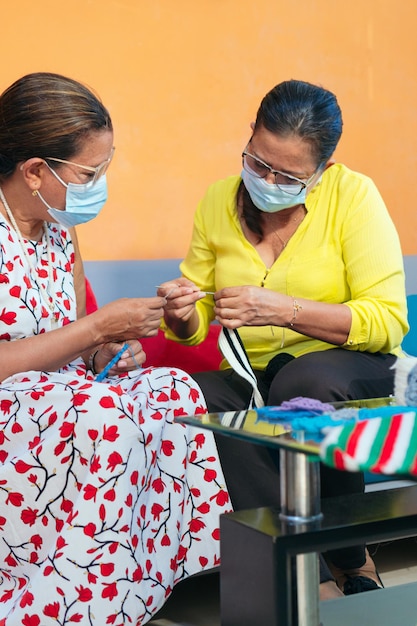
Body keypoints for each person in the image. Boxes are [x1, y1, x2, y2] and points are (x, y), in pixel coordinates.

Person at [158, 79, 408, 598]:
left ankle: (346, 551)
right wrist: (182, 312)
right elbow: (193, 325)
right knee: (192, 397)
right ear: (250, 136)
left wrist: (282, 310)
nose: (267, 180)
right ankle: (300, 580)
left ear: (322, 172)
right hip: (258, 374)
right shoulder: (216, 203)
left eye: (288, 176)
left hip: (354, 363)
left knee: (303, 381)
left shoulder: (353, 196)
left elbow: (386, 320)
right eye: (258, 162)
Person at [0, 72, 230, 626]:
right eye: (88, 173)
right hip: (13, 404)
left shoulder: (58, 229)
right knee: (104, 413)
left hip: (57, 397)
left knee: (172, 389)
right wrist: (97, 329)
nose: (98, 184)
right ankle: (72, 600)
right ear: (36, 171)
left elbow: (72, 336)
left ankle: (149, 584)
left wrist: (108, 350)